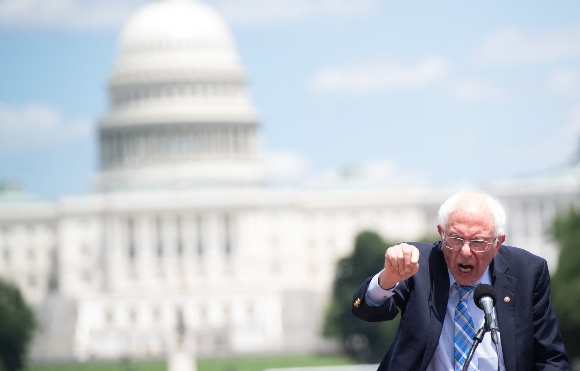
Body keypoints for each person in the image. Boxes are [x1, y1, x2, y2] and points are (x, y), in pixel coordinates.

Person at [352, 190, 569, 371]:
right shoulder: (419, 265)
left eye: (478, 242)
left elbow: (551, 359)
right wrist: (387, 279)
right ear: (441, 234)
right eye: (455, 239)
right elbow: (367, 311)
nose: (465, 252)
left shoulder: (528, 272)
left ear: (497, 243)